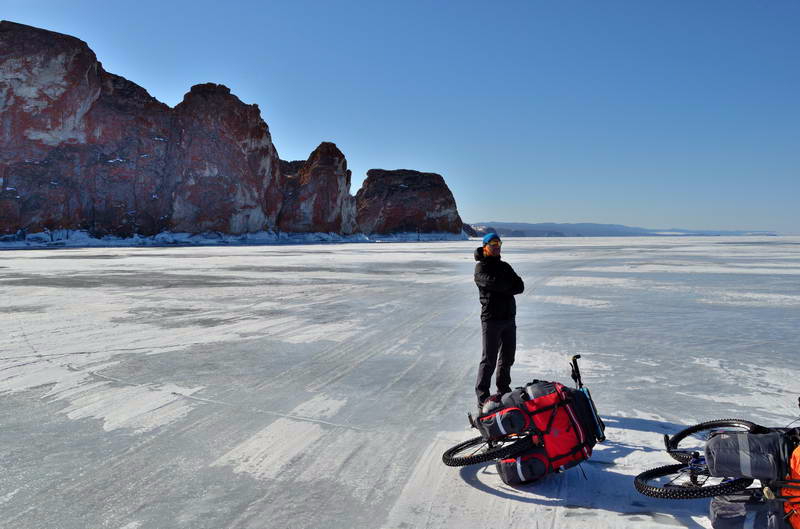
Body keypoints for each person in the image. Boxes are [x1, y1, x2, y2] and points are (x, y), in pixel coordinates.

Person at [474, 232, 524, 413]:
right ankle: (482, 398)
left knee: (507, 358)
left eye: (499, 243)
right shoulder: (481, 268)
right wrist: (506, 287)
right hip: (492, 319)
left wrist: (505, 287)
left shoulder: (505, 266)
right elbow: (494, 284)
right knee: (489, 359)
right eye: (493, 244)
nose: (497, 247)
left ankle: (503, 390)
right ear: (485, 246)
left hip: (509, 319)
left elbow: (520, 286)